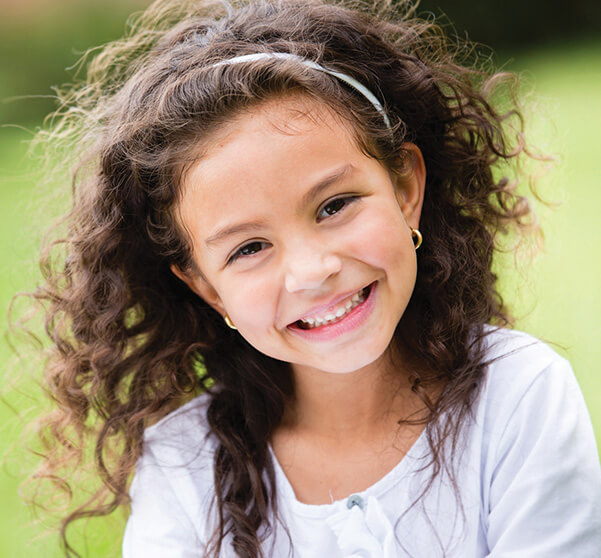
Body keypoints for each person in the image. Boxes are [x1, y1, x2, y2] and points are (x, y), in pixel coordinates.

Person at [24, 0, 601, 556]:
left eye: (334, 206)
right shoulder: (184, 464)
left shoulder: (518, 397)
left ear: (405, 191)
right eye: (250, 248)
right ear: (204, 285)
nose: (311, 271)